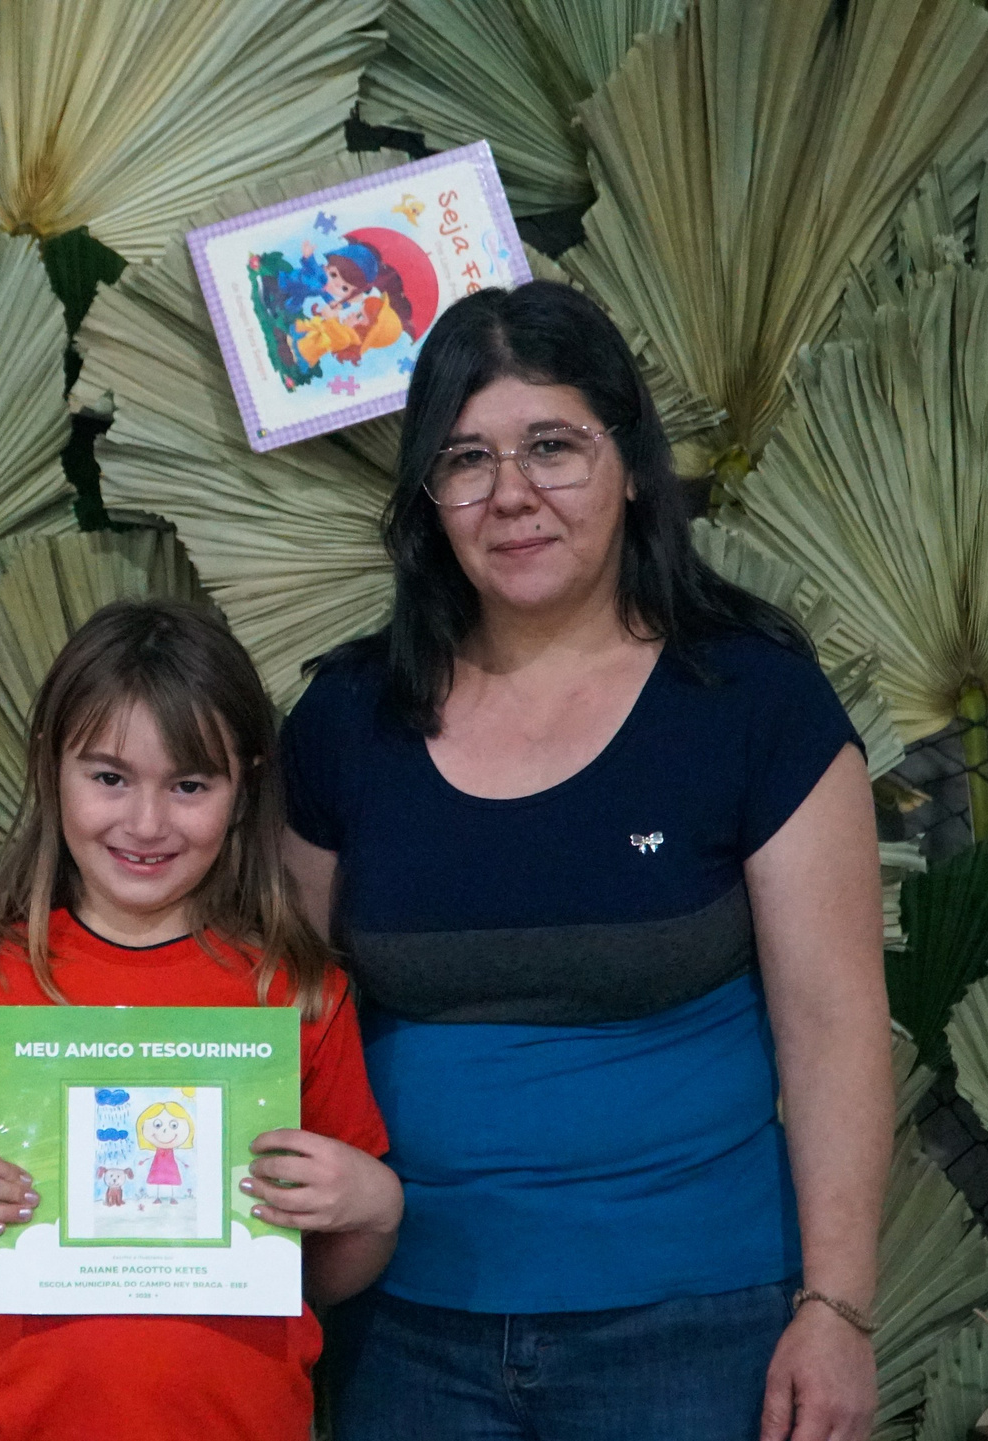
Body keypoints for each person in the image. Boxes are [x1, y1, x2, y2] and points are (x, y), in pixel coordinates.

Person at [282, 281, 888, 1441]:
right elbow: (283, 1002)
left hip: (693, 1328)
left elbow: (834, 1021)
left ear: (628, 462)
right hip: (402, 1325)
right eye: (465, 460)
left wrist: (837, 1309)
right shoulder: (346, 718)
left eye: (550, 446)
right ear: (427, 499)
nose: (511, 494)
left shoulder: (751, 698)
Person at [0, 599, 402, 1439]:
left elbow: (324, 1269)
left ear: (244, 788)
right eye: (110, 776)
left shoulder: (294, 992)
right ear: (52, 766)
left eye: (190, 784)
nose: (147, 823)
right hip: (20, 1421)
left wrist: (376, 1204)